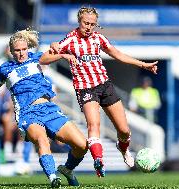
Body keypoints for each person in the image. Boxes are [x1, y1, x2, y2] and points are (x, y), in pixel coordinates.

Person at [0, 29, 87, 188]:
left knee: (82, 144)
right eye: (17, 50)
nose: (21, 53)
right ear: (11, 51)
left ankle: (67, 170)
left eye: (24, 49)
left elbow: (53, 53)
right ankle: (53, 177)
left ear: (28, 49)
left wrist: (63, 54)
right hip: (28, 113)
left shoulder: (36, 58)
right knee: (41, 140)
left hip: (50, 110)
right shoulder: (5, 69)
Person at [40, 6, 159, 177]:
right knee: (93, 125)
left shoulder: (98, 38)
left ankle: (123, 148)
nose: (89, 27)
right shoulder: (70, 40)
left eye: (92, 24)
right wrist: (63, 55)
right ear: (79, 22)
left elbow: (117, 54)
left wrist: (143, 64)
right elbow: (44, 59)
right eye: (86, 23)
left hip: (105, 85)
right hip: (85, 89)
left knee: (124, 131)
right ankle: (98, 160)